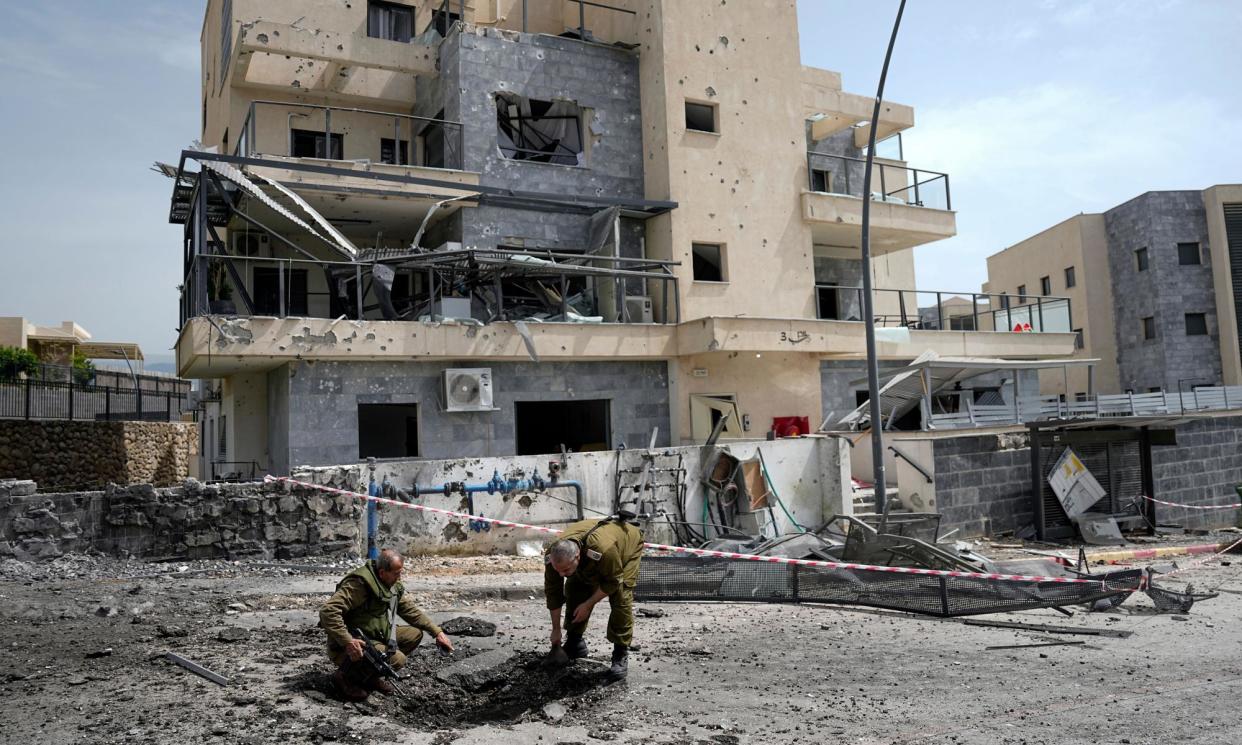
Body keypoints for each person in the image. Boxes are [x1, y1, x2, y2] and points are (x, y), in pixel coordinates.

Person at [319, 548, 453, 700]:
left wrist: (437, 632)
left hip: (375, 635)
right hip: (351, 644)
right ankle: (344, 677)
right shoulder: (360, 584)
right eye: (396, 573)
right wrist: (347, 641)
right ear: (382, 572)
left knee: (414, 634)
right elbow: (328, 611)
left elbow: (408, 610)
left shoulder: (388, 583)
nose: (400, 577)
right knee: (398, 659)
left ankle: (369, 676)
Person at [544, 516, 644, 681]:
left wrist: (588, 604)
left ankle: (620, 652)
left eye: (566, 569)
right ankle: (575, 643)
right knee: (574, 586)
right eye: (558, 570)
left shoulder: (603, 550)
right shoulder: (553, 556)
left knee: (621, 596)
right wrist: (556, 629)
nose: (561, 574)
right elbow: (553, 591)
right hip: (593, 545)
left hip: (626, 544)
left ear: (577, 556)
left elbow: (612, 580)